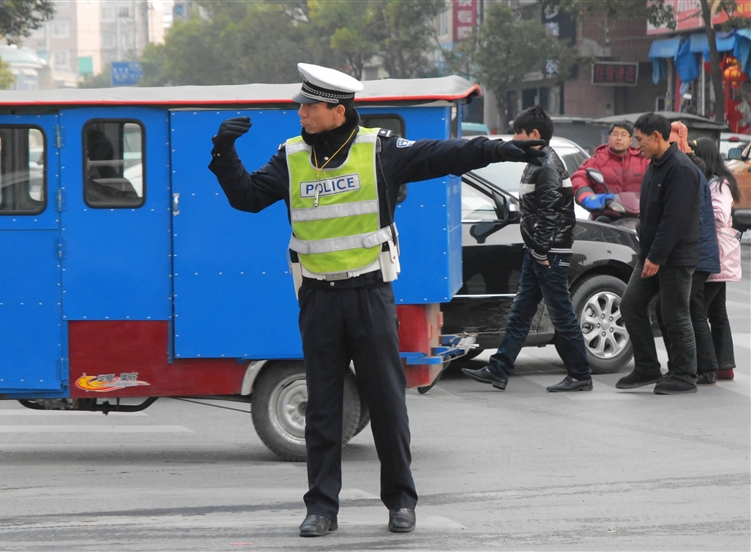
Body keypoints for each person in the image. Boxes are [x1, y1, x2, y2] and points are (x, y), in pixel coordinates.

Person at [208, 63, 545, 537]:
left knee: (387, 403)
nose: (301, 113)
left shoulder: (378, 149)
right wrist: (224, 152)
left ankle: (401, 502)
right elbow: (245, 197)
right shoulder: (291, 156)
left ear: (337, 111)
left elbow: (441, 154)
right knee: (323, 409)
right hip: (319, 300)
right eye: (301, 105)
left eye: (310, 106)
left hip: (370, 294)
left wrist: (497, 148)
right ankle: (321, 508)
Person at [461, 106, 592, 393]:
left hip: (549, 254)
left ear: (534, 134)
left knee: (561, 314)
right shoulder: (536, 162)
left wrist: (542, 252)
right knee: (520, 313)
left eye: (518, 133)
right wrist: (536, 251)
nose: (515, 139)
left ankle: (580, 374)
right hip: (538, 252)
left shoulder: (547, 166)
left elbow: (549, 215)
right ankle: (499, 369)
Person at [615, 113, 702, 395]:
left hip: (673, 257)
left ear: (656, 136)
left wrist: (656, 256)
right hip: (651, 253)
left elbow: (675, 220)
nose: (635, 145)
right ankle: (647, 367)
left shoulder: (681, 168)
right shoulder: (654, 165)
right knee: (630, 305)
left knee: (675, 315)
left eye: (639, 139)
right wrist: (647, 251)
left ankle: (685, 374)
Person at [654, 122, 720, 384]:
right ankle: (694, 365)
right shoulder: (681, 167)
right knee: (686, 308)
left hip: (695, 252)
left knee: (689, 309)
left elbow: (689, 219)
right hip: (696, 251)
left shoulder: (684, 170)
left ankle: (701, 367)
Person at [692, 137, 743, 381]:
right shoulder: (718, 181)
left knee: (699, 310)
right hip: (720, 253)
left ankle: (708, 366)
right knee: (717, 311)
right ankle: (724, 365)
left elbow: (720, 215)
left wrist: (696, 208)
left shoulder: (718, 183)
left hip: (717, 252)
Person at [571, 121, 648, 220]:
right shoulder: (597, 161)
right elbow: (579, 178)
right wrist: (588, 197)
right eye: (615, 134)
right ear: (609, 138)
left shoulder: (643, 161)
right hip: (607, 217)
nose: (619, 138)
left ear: (630, 140)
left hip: (639, 217)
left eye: (623, 135)